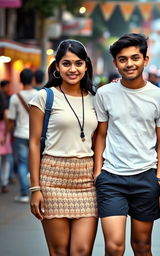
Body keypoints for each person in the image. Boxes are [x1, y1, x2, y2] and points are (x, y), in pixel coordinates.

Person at [94, 33, 160, 256]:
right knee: (114, 246)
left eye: (135, 58)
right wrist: (98, 171)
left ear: (145, 60)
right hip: (111, 178)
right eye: (123, 59)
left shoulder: (159, 97)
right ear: (116, 63)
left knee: (142, 246)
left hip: (146, 177)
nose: (129, 64)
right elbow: (101, 134)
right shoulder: (104, 93)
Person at [29, 39, 98, 255]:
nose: (73, 69)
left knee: (82, 250)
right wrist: (35, 188)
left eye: (78, 63)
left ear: (86, 65)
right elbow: (33, 143)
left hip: (87, 182)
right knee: (59, 251)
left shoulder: (97, 99)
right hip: (52, 179)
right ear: (57, 66)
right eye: (66, 63)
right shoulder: (44, 97)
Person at [7, 69, 37, 203]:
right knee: (36, 162)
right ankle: (36, 188)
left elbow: (11, 119)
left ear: (20, 80)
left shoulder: (15, 97)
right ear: (33, 80)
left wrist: (5, 134)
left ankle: (24, 193)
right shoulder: (39, 95)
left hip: (20, 134)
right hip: (36, 135)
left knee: (22, 163)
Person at [0, 90, 12, 193]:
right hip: (3, 132)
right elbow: (7, 118)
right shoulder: (4, 107)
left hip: (3, 133)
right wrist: (5, 135)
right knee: (5, 160)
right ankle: (4, 183)